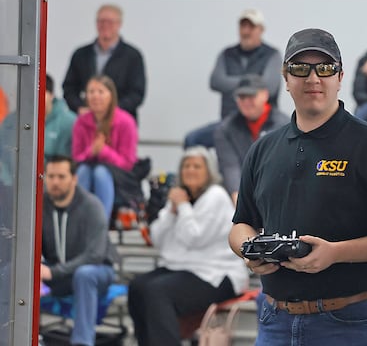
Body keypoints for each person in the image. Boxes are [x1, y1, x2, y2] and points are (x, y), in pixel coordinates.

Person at [228, 28, 367, 346]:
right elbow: (241, 223)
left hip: (349, 321)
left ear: (340, 76)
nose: (312, 78)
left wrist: (336, 253)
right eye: (299, 68)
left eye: (324, 68)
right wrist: (250, 250)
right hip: (274, 320)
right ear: (285, 77)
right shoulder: (264, 149)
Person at [128, 146, 248, 346]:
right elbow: (157, 238)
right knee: (137, 287)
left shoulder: (215, 196)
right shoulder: (179, 196)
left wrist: (183, 207)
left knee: (157, 291)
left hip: (216, 274)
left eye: (197, 166)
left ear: (208, 171)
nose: (191, 170)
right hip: (183, 269)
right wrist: (172, 211)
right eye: (186, 166)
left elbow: (194, 238)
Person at [40, 155, 119, 346]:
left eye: (61, 176)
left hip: (98, 271)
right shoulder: (38, 205)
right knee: (12, 271)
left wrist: (54, 271)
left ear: (74, 179)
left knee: (84, 275)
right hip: (59, 272)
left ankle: (82, 342)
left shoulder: (92, 206)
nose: (55, 182)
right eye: (50, 177)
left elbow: (95, 255)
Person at [184, 9, 282, 148]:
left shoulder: (272, 55)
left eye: (251, 27)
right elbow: (216, 81)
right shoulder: (226, 54)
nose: (246, 31)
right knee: (192, 139)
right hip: (230, 122)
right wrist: (252, 84)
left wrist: (231, 82)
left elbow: (270, 88)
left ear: (261, 30)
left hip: (264, 124)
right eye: (243, 26)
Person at [62, 4, 146, 121]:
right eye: (101, 21)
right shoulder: (81, 54)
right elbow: (69, 87)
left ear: (119, 24)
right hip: (87, 121)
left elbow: (137, 93)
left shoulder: (133, 56)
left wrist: (112, 110)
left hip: (121, 122)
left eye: (110, 22)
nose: (105, 25)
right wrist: (80, 107)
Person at [71, 75, 138, 221]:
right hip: (87, 168)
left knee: (100, 173)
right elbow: (76, 157)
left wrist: (104, 152)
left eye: (100, 92)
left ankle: (101, 223)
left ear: (111, 95)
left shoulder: (126, 122)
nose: (95, 96)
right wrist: (92, 151)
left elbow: (128, 163)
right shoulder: (81, 122)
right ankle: (78, 222)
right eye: (91, 92)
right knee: (83, 171)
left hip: (119, 176)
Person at [213, 74, 289, 200]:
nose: (246, 102)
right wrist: (239, 201)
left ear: (265, 95)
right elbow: (230, 167)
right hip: (241, 195)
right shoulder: (225, 130)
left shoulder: (285, 127)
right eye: (242, 97)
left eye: (251, 96)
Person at [44, 74, 77, 163]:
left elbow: (66, 162)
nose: (34, 98)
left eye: (40, 93)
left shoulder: (70, 122)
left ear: (51, 95)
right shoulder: (12, 121)